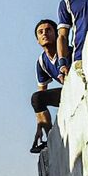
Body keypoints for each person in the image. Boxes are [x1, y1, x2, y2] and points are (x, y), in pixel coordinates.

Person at [30, 19, 71, 153]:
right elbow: (41, 93)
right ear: (37, 40)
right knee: (37, 98)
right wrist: (39, 124)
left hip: (80, 88)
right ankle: (50, 138)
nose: (44, 34)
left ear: (56, 34)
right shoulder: (42, 62)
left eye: (48, 30)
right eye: (40, 32)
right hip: (67, 93)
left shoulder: (69, 51)